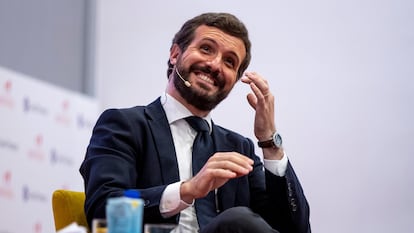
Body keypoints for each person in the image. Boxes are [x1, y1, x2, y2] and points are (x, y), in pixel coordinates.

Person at [80, 12, 311, 233]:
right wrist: (187, 190)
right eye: (206, 49)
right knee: (237, 220)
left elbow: (294, 230)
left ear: (234, 82)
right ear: (174, 54)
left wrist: (270, 142)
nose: (215, 65)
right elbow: (104, 208)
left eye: (229, 62)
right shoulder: (125, 125)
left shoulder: (240, 149)